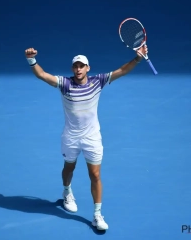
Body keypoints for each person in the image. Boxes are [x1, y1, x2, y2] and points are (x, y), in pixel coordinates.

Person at [24, 45, 148, 230]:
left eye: (82, 66)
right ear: (72, 68)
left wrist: (137, 58)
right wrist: (31, 60)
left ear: (88, 68)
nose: (79, 69)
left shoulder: (98, 81)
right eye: (76, 66)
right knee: (69, 168)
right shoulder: (64, 84)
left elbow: (121, 71)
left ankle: (97, 215)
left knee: (95, 174)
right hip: (71, 137)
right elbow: (42, 75)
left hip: (92, 138)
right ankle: (67, 192)